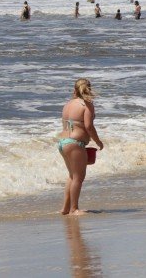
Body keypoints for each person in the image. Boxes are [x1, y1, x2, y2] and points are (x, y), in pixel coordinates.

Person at [57, 78, 104, 216]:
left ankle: (65, 208)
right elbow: (89, 126)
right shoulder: (86, 105)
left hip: (63, 142)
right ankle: (74, 209)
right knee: (78, 177)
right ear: (88, 89)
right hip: (75, 144)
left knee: (72, 176)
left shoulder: (68, 104)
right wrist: (98, 141)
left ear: (74, 89)